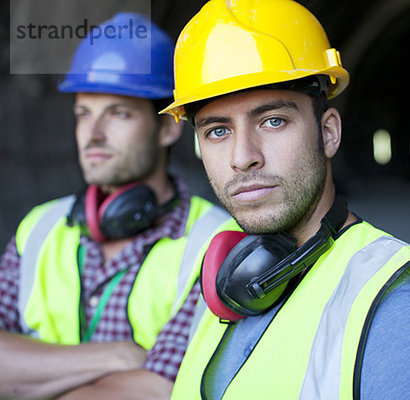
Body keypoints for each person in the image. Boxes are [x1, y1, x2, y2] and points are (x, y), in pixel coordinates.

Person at [161, 0, 410, 398]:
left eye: (273, 121)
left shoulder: (403, 311)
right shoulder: (229, 282)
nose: (242, 157)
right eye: (217, 131)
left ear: (329, 133)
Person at [0, 12, 237, 399]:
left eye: (118, 114)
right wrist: (117, 357)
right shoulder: (39, 228)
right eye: (83, 114)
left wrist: (29, 376)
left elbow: (159, 389)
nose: (93, 135)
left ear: (168, 127)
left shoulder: (216, 242)